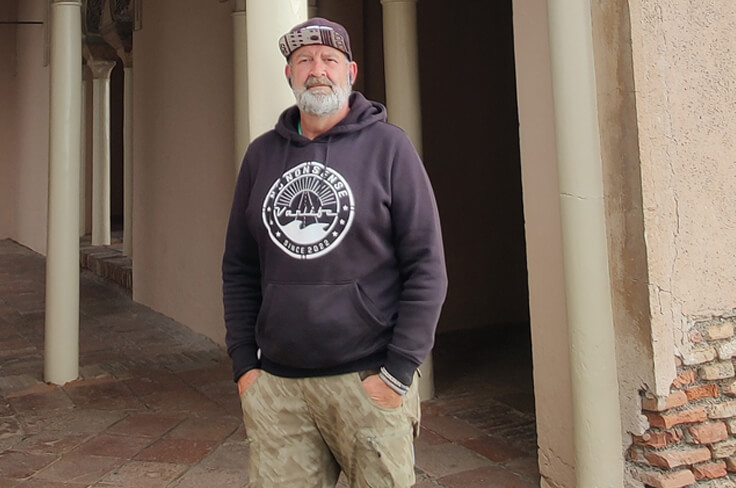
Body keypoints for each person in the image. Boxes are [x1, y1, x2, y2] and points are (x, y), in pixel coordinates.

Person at [222, 17, 447, 488]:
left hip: (368, 382)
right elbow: (239, 268)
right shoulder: (261, 157)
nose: (317, 69)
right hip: (279, 389)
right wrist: (245, 365)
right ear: (289, 75)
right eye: (303, 60)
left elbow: (427, 267)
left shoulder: (391, 149)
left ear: (351, 72)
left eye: (329, 59)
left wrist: (398, 372)